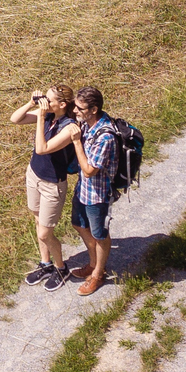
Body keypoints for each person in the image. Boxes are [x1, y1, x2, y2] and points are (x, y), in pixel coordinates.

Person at [9, 85, 79, 289]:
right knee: (38, 220)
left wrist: (40, 116)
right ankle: (45, 263)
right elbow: (15, 119)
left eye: (49, 100)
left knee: (44, 233)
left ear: (62, 104)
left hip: (52, 185)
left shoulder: (69, 127)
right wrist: (30, 103)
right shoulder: (48, 115)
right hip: (34, 175)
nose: (44, 103)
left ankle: (61, 268)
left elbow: (42, 149)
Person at [69, 86, 118, 296]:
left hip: (98, 195)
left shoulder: (105, 137)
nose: (75, 111)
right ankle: (93, 263)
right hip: (83, 189)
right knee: (78, 224)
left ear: (94, 109)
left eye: (79, 108)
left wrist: (76, 142)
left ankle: (98, 274)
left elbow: (89, 170)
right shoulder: (87, 123)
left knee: (100, 235)